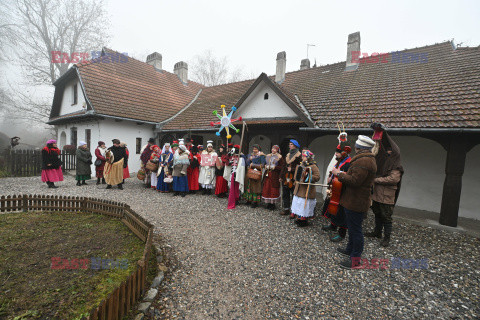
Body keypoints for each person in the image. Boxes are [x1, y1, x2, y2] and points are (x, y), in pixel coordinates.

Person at [332, 135, 377, 269]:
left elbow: (355, 181)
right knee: (352, 228)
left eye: (357, 146)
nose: (355, 148)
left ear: (360, 148)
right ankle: (350, 249)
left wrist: (338, 174)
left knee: (356, 230)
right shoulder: (366, 159)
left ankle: (355, 259)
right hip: (354, 199)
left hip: (356, 201)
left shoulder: (363, 161)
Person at [365, 124, 404, 247]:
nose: (387, 152)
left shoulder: (396, 165)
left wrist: (376, 180)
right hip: (377, 194)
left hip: (387, 195)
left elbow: (393, 179)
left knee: (386, 217)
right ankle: (377, 232)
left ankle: (387, 238)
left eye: (389, 151)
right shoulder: (384, 162)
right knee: (377, 213)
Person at [321, 142, 352, 242]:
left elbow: (348, 176)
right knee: (332, 208)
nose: (335, 154)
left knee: (341, 213)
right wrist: (331, 177)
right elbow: (334, 172)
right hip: (335, 189)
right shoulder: (339, 161)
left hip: (343, 192)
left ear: (343, 153)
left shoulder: (348, 163)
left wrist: (338, 174)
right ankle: (333, 225)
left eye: (337, 153)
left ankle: (341, 234)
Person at [290, 150, 321, 226]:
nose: (302, 157)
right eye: (302, 156)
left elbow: (317, 177)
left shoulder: (313, 166)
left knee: (304, 205)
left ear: (308, 157)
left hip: (306, 190)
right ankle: (299, 218)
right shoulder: (301, 165)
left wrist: (308, 176)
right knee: (298, 204)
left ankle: (303, 221)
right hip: (299, 189)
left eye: (304, 156)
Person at [280, 140, 302, 215]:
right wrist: (281, 176)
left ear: (295, 146)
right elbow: (283, 166)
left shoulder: (299, 155)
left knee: (294, 194)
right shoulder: (288, 155)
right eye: (289, 144)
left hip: (294, 177)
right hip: (286, 177)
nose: (289, 145)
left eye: (291, 144)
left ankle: (294, 211)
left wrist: (292, 169)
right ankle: (286, 209)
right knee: (285, 194)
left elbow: (300, 167)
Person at [262, 145, 284, 210]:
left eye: (274, 149)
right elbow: (263, 164)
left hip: (274, 175)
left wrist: (275, 167)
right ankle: (268, 203)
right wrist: (265, 166)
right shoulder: (268, 156)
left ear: (277, 150)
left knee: (273, 189)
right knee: (267, 188)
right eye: (272, 148)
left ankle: (273, 204)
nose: (273, 150)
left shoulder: (280, 157)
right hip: (268, 174)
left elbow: (282, 167)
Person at [225, 144, 246, 209]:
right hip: (232, 173)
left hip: (237, 174)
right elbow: (227, 163)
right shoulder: (232, 157)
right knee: (232, 186)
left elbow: (243, 166)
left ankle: (237, 198)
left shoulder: (241, 158)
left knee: (237, 186)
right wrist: (228, 156)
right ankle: (232, 197)